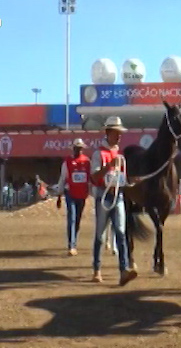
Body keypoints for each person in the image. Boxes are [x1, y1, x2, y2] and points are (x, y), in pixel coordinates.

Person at [90, 116, 138, 286]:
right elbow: (95, 177)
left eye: (120, 133)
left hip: (118, 196)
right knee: (100, 236)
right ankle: (97, 269)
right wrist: (109, 165)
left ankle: (123, 270)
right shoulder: (99, 153)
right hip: (103, 196)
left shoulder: (120, 155)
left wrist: (131, 181)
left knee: (120, 232)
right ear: (108, 133)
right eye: (116, 133)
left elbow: (122, 179)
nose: (119, 136)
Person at [55, 138, 92, 256]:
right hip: (70, 192)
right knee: (72, 217)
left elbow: (91, 179)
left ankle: (74, 240)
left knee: (77, 219)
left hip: (82, 195)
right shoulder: (67, 162)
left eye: (80, 148)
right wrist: (59, 195)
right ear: (73, 149)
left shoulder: (87, 162)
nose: (79, 150)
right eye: (77, 148)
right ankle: (71, 245)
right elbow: (62, 178)